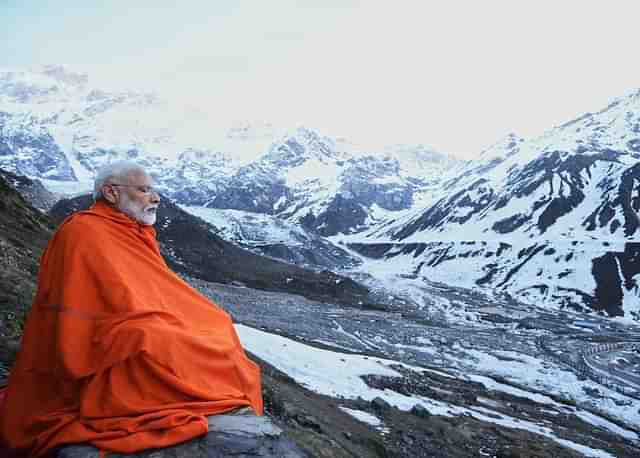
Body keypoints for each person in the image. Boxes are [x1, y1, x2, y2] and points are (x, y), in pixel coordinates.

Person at [0, 161, 263, 457]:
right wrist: (145, 315)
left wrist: (168, 312)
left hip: (132, 315)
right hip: (97, 333)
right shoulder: (82, 230)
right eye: (144, 190)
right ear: (111, 193)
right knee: (152, 338)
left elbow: (150, 285)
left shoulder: (131, 230)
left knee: (216, 322)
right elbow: (81, 302)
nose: (156, 198)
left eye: (153, 190)